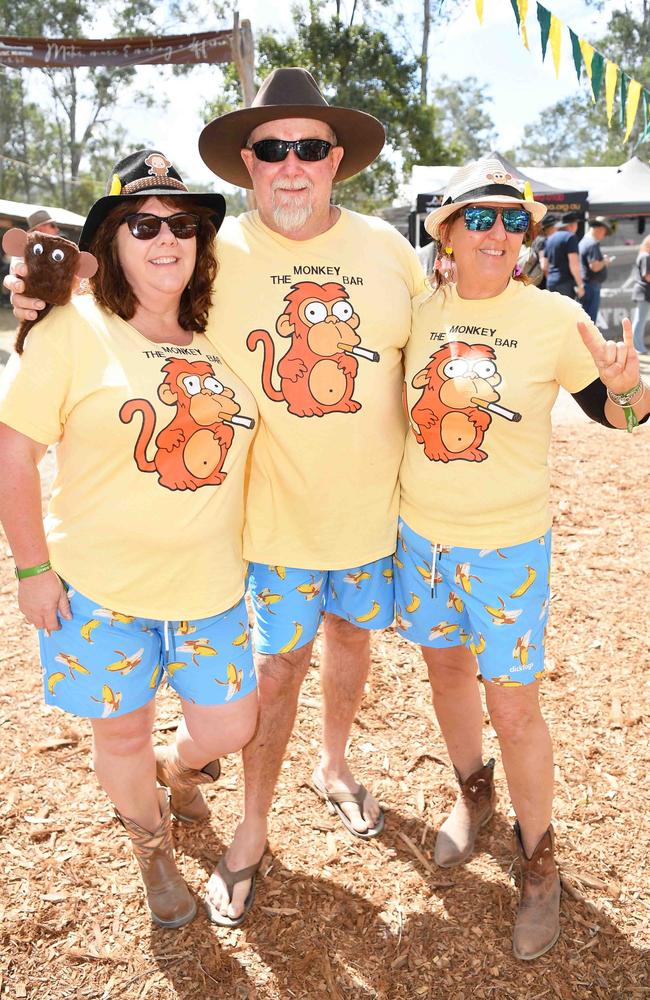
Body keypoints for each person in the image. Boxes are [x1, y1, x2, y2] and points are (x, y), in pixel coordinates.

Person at [397, 157, 648, 961]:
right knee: (444, 674)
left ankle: (539, 864)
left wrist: (630, 388)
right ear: (446, 232)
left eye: (514, 221)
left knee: (515, 708)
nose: (499, 233)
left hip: (509, 549)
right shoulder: (413, 313)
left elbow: (623, 419)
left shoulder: (552, 316)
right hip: (419, 539)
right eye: (481, 218)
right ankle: (474, 800)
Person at [0, 150, 259, 929]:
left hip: (212, 589)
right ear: (111, 240)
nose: (166, 238)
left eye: (182, 224)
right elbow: (15, 453)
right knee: (121, 731)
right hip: (98, 591)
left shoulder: (224, 339)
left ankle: (179, 774)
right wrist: (32, 569)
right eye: (143, 223)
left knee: (227, 725)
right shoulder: (70, 330)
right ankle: (151, 849)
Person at [196, 67, 426, 925]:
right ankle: (252, 828)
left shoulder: (388, 251)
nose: (291, 165)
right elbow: (127, 321)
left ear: (338, 160)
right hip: (268, 527)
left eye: (310, 148)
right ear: (247, 164)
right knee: (276, 668)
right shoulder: (212, 258)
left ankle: (335, 765)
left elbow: (448, 343)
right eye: (271, 149)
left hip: (370, 520)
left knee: (351, 641)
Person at [543, 210, 584, 299]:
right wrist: (580, 285)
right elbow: (574, 265)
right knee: (567, 312)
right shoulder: (570, 237)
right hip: (565, 283)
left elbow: (544, 266)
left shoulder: (550, 238)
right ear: (572, 225)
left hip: (551, 282)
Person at [578, 216, 612, 323]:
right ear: (599, 229)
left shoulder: (584, 241)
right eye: (604, 232)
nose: (603, 236)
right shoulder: (592, 244)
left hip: (587, 284)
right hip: (591, 285)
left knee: (585, 317)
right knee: (590, 319)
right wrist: (605, 261)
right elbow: (594, 266)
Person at [631, 234, 650, 354]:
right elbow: (647, 276)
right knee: (640, 320)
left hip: (643, 292)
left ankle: (637, 346)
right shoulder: (646, 256)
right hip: (643, 291)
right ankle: (637, 347)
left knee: (640, 320)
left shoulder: (644, 255)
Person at [529, 214, 557, 290]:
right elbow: (544, 265)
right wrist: (551, 282)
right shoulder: (543, 241)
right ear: (549, 228)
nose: (557, 229)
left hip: (535, 278)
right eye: (555, 227)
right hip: (540, 281)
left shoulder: (538, 239)